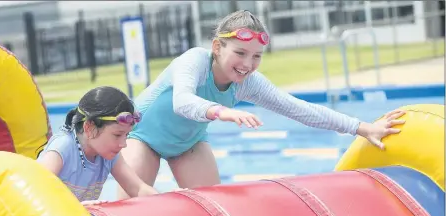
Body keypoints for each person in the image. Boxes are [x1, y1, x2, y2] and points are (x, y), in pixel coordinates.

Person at [117, 10, 406, 200]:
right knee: (131, 209)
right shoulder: (194, 61)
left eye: (256, 56)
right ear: (217, 47)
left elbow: (299, 109)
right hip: (142, 137)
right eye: (240, 52)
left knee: (215, 210)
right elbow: (181, 102)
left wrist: (362, 127)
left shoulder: (249, 82)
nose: (247, 64)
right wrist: (223, 111)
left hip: (188, 143)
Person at [37, 86, 163, 205]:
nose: (123, 144)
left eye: (126, 135)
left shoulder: (109, 156)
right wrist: (75, 207)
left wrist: (168, 201)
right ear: (89, 127)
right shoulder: (62, 147)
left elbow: (138, 188)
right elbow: (35, 191)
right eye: (117, 135)